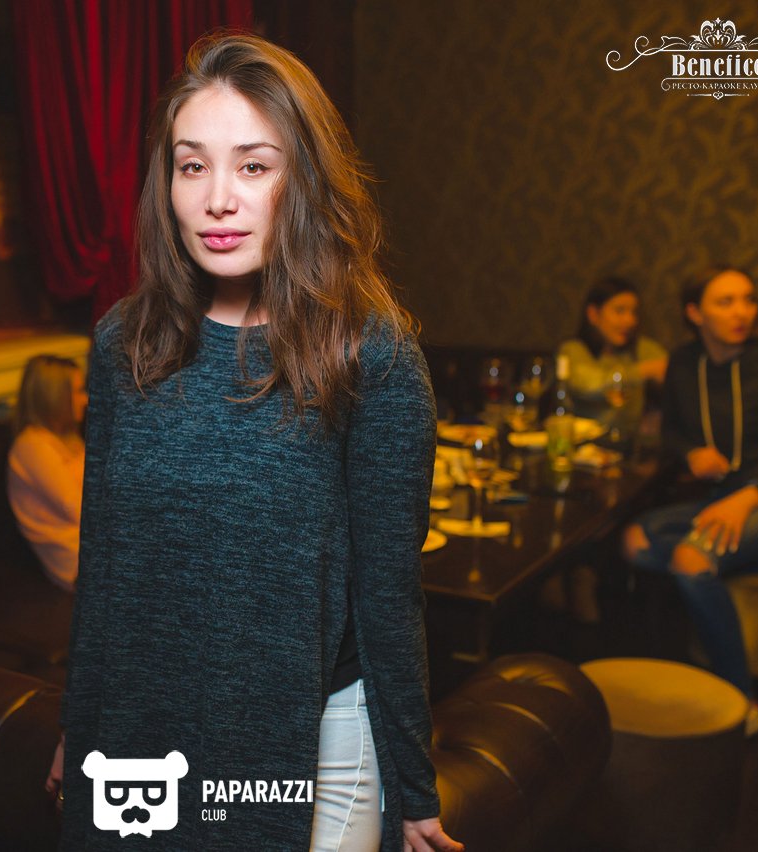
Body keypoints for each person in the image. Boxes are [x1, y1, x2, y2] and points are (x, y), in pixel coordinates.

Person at [46, 33, 461, 852]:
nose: (217, 199)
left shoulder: (370, 356)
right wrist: (78, 725)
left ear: (302, 179)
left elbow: (389, 597)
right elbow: (105, 566)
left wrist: (414, 789)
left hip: (316, 747)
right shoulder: (123, 342)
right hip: (145, 730)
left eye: (254, 166)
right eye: (191, 165)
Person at [623, 266, 758, 735]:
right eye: (726, 302)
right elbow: (672, 432)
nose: (742, 312)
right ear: (695, 313)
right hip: (725, 497)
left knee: (691, 560)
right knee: (636, 542)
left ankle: (742, 701)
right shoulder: (683, 363)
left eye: (748, 300)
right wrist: (692, 453)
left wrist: (746, 500)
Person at [6, 354, 88, 591]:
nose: (86, 399)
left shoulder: (70, 440)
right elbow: (80, 510)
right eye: (78, 391)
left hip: (101, 550)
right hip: (75, 562)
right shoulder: (32, 446)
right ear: (55, 397)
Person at [557, 277, 668, 428]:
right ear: (593, 314)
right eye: (620, 311)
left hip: (629, 440)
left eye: (633, 312)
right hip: (584, 440)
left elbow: (672, 371)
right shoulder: (573, 349)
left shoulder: (642, 348)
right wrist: (642, 371)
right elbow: (590, 385)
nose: (630, 320)